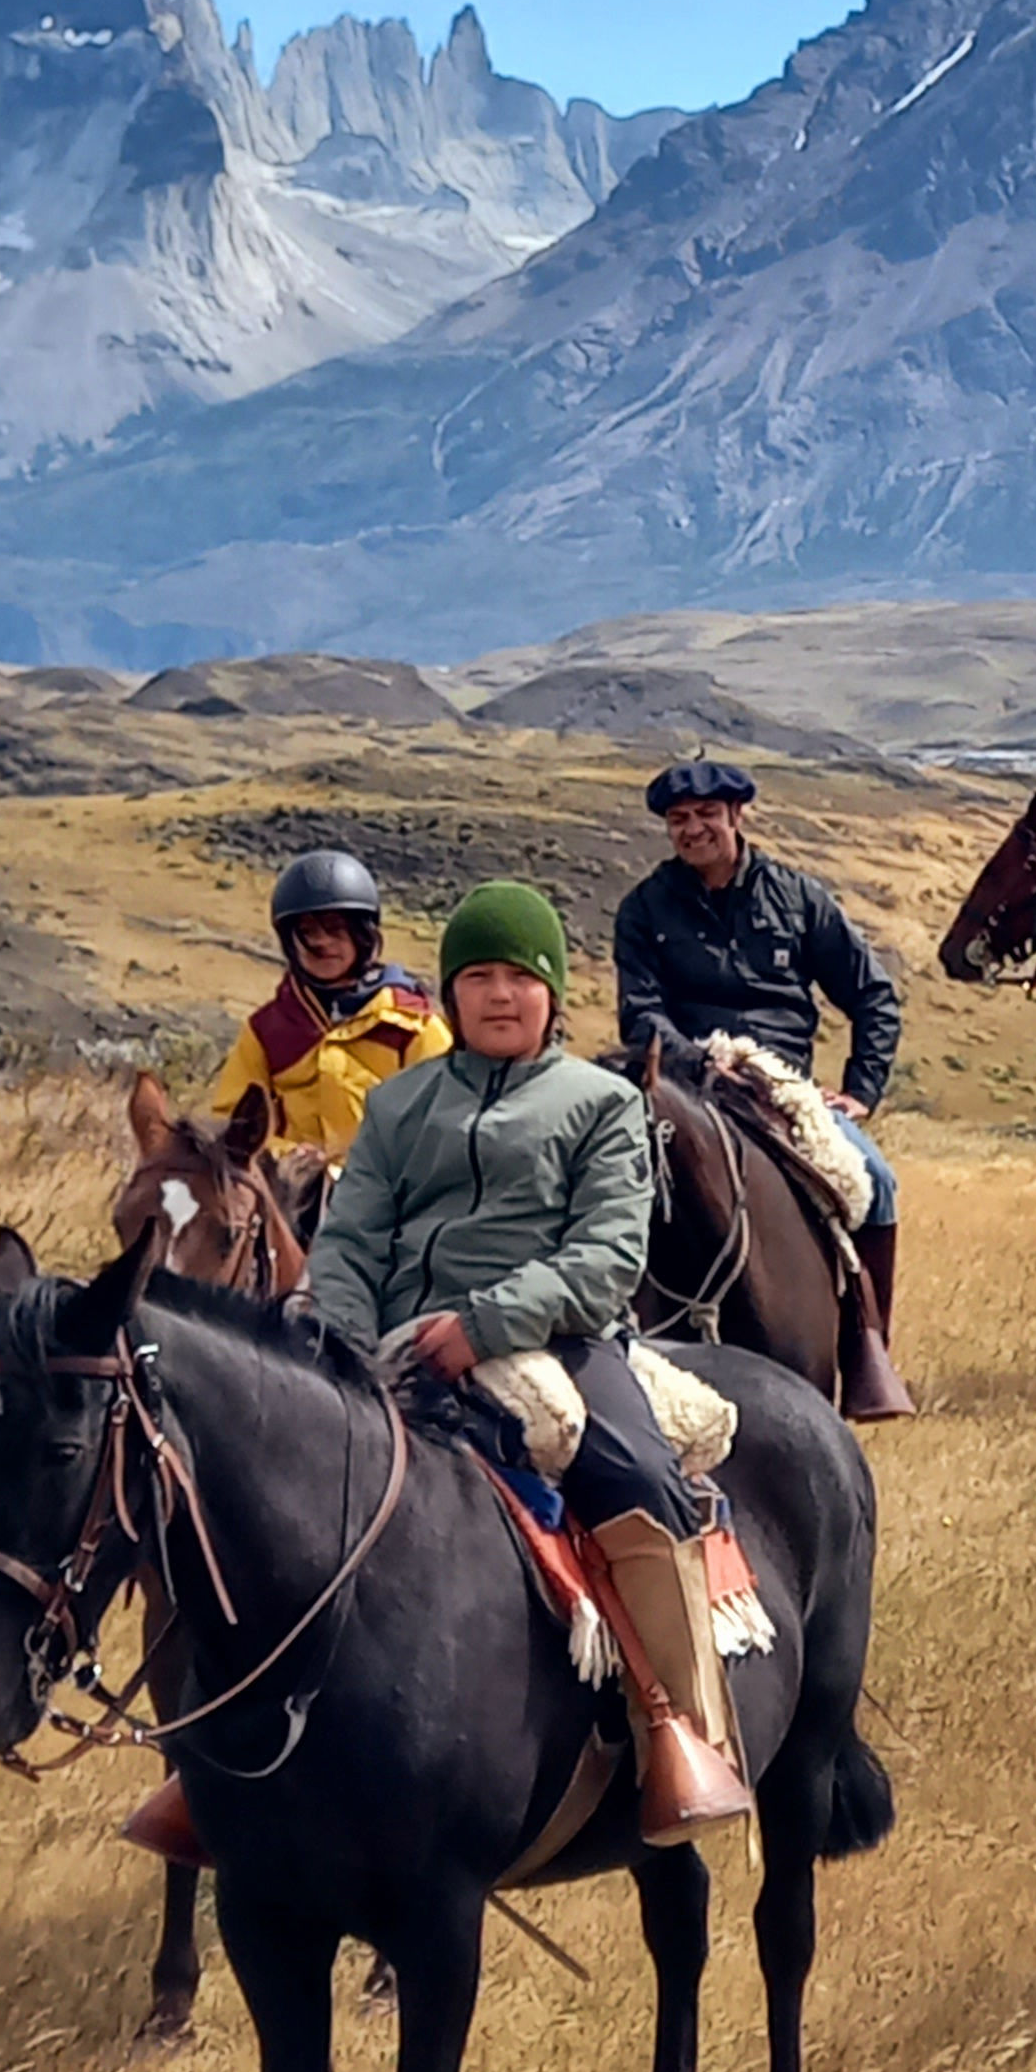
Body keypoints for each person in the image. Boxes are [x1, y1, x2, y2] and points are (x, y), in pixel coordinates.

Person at [302, 881, 751, 1841]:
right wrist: (341, 1337)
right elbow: (349, 1239)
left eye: (520, 976)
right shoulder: (399, 1105)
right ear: (451, 994)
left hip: (555, 1342)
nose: (500, 996)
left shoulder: (600, 1106)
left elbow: (603, 1262)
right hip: (387, 1342)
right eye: (478, 977)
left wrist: (484, 1325)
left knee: (637, 1478)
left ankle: (684, 1734)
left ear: (551, 992)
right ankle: (226, 1757)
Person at [612, 759, 913, 1421]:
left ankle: (868, 1348)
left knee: (878, 1182)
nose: (693, 830)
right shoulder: (644, 908)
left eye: (706, 816)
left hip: (778, 1088)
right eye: (679, 820)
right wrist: (696, 1062)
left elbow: (872, 995)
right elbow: (641, 1011)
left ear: (737, 816)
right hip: (686, 1082)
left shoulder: (797, 897)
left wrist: (860, 1089)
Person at [209, 848, 448, 1162]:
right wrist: (288, 1156)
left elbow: (447, 1123)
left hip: (391, 1196)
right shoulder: (265, 1031)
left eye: (335, 929)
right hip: (291, 1196)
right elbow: (230, 1125)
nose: (321, 943)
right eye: (307, 932)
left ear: (362, 935)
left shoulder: (413, 1026)